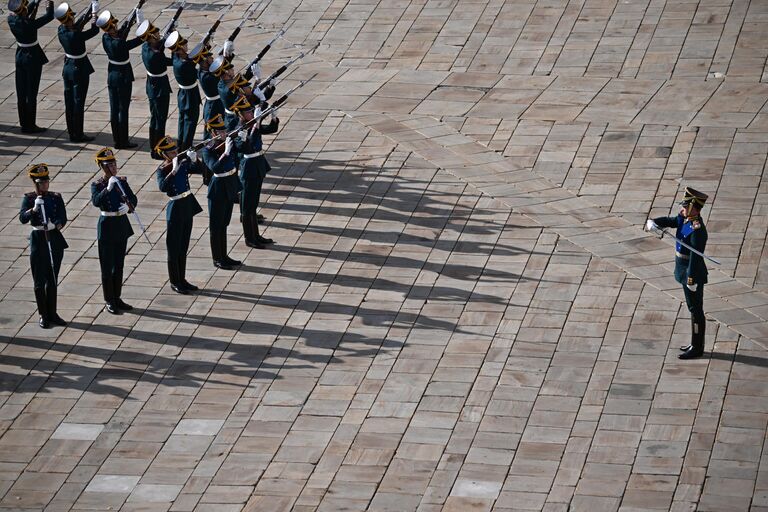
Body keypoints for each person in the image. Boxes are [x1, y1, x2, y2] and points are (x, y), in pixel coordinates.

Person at [646, 187, 709, 360]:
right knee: (692, 308)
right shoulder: (684, 218)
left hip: (692, 274)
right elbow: (671, 220)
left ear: (693, 208)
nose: (681, 209)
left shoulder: (698, 229)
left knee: (696, 309)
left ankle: (697, 347)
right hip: (682, 269)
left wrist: (691, 278)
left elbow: (695, 256)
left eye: (685, 206)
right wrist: (654, 222)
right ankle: (694, 343)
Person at [19, 163, 68, 328]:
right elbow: (22, 218)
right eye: (41, 182)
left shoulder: (55, 197)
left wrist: (56, 225)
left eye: (46, 181)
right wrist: (33, 209)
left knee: (52, 278)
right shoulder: (29, 198)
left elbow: (63, 217)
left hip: (53, 237)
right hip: (38, 238)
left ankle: (52, 312)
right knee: (39, 280)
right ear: (35, 183)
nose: (45, 185)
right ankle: (43, 314)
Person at [155, 135, 204, 294]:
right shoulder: (163, 170)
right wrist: (173, 171)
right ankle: (175, 281)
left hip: (187, 204)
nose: (176, 153)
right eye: (171, 152)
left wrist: (195, 159)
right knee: (174, 247)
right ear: (164, 155)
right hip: (175, 207)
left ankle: (182, 279)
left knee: (183, 246)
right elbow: (162, 187)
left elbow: (199, 170)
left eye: (176, 150)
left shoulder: (182, 163)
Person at [91, 147, 137, 314]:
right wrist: (107, 189)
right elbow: (96, 201)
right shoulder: (97, 185)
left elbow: (133, 198)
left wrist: (129, 207)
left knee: (119, 265)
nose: (113, 168)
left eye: (114, 164)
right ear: (102, 167)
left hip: (121, 224)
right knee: (107, 266)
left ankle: (117, 297)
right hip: (107, 225)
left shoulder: (121, 181)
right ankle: (109, 299)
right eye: (109, 165)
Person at [230, 95, 278, 248]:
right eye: (248, 112)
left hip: (258, 164)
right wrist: (256, 124)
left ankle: (256, 235)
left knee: (253, 204)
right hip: (249, 167)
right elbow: (244, 147)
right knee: (247, 207)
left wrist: (274, 117)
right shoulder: (239, 130)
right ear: (241, 115)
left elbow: (271, 129)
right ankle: (249, 239)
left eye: (251, 111)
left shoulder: (252, 125)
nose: (251, 113)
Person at [96, 9, 143, 149]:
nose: (117, 26)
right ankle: (123, 141)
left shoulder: (106, 37)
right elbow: (136, 40)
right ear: (112, 27)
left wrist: (130, 20)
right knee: (123, 110)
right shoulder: (119, 43)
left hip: (112, 76)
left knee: (114, 109)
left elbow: (121, 33)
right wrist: (142, 29)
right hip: (123, 77)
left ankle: (117, 139)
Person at [201, 114, 242, 270]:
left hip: (230, 184)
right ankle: (217, 258)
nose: (224, 134)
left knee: (224, 223)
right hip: (218, 187)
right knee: (216, 225)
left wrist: (243, 138)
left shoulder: (227, 142)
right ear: (213, 133)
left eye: (224, 131)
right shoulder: (208, 150)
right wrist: (225, 153)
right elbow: (215, 167)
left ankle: (224, 255)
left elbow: (242, 147)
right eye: (220, 132)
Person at [7, 0, 55, 133]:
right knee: (31, 92)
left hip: (20, 56)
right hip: (32, 58)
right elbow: (49, 16)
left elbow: (25, 12)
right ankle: (30, 125)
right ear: (23, 10)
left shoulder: (11, 19)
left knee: (21, 92)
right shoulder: (29, 24)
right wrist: (49, 3)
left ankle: (24, 123)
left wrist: (35, 2)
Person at [55, 1, 99, 142]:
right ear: (69, 19)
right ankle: (78, 134)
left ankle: (71, 131)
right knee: (78, 102)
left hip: (68, 68)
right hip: (79, 69)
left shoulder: (61, 30)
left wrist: (87, 14)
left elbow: (76, 26)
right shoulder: (75, 35)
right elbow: (95, 31)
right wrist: (94, 15)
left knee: (69, 102)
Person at [136, 19, 172, 160]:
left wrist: (165, 38)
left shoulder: (146, 47)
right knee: (160, 120)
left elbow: (158, 46)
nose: (159, 34)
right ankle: (158, 150)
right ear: (151, 37)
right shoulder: (155, 54)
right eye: (156, 33)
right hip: (159, 89)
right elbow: (168, 60)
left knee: (154, 119)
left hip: (152, 86)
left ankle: (154, 147)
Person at [165, 31, 200, 151]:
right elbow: (199, 72)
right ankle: (186, 149)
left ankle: (180, 146)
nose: (186, 45)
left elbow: (189, 57)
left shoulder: (176, 57)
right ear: (179, 48)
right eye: (184, 44)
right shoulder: (185, 65)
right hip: (190, 96)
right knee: (190, 123)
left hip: (183, 94)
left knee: (182, 122)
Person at [193, 43, 222, 140]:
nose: (212, 59)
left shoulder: (202, 71)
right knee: (210, 134)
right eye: (210, 58)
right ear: (205, 61)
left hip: (213, 104)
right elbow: (221, 73)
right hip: (214, 106)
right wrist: (224, 56)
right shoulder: (207, 77)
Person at [210, 56, 240, 131]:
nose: (233, 70)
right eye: (231, 69)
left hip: (228, 117)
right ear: (227, 72)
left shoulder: (221, 83)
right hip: (234, 120)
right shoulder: (229, 89)